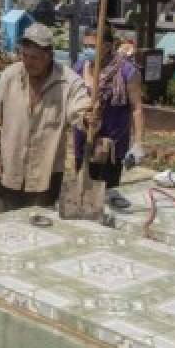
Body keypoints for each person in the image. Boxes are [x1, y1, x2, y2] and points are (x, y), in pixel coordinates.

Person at [0, 23, 91, 211]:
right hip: (9, 169)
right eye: (24, 55)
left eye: (34, 57)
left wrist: (87, 118)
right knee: (2, 228)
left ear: (49, 56)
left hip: (45, 175)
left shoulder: (68, 82)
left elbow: (79, 109)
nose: (28, 62)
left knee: (40, 231)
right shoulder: (10, 77)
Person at [73, 24, 145, 211]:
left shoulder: (126, 71)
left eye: (93, 46)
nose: (88, 50)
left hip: (112, 141)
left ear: (106, 46)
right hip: (85, 136)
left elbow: (137, 108)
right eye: (86, 45)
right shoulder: (81, 66)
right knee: (85, 185)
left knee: (108, 189)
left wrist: (138, 144)